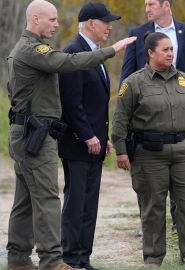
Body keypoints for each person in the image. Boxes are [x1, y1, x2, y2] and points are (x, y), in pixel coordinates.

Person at [6, 1, 135, 269]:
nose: (56, 24)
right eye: (51, 20)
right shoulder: (33, 49)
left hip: (29, 130)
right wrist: (112, 50)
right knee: (46, 198)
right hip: (34, 133)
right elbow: (67, 63)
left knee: (26, 199)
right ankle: (53, 261)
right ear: (35, 19)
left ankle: (18, 258)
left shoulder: (27, 49)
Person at [111, 32, 185, 267]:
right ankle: (154, 257)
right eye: (165, 49)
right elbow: (120, 120)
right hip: (149, 153)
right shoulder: (134, 82)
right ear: (150, 53)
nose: (170, 53)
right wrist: (121, 150)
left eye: (171, 49)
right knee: (153, 207)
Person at [57, 3, 121, 270]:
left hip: (94, 144)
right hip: (76, 144)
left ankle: (83, 258)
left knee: (90, 203)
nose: (109, 26)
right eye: (105, 22)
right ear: (91, 24)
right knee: (76, 202)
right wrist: (86, 135)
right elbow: (72, 103)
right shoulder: (73, 53)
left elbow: (95, 104)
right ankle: (70, 258)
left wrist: (102, 136)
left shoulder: (94, 54)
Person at [120, 0, 185, 94]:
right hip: (147, 103)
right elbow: (127, 74)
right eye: (146, 5)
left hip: (182, 104)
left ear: (166, 5)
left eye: (151, 5)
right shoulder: (137, 34)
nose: (146, 9)